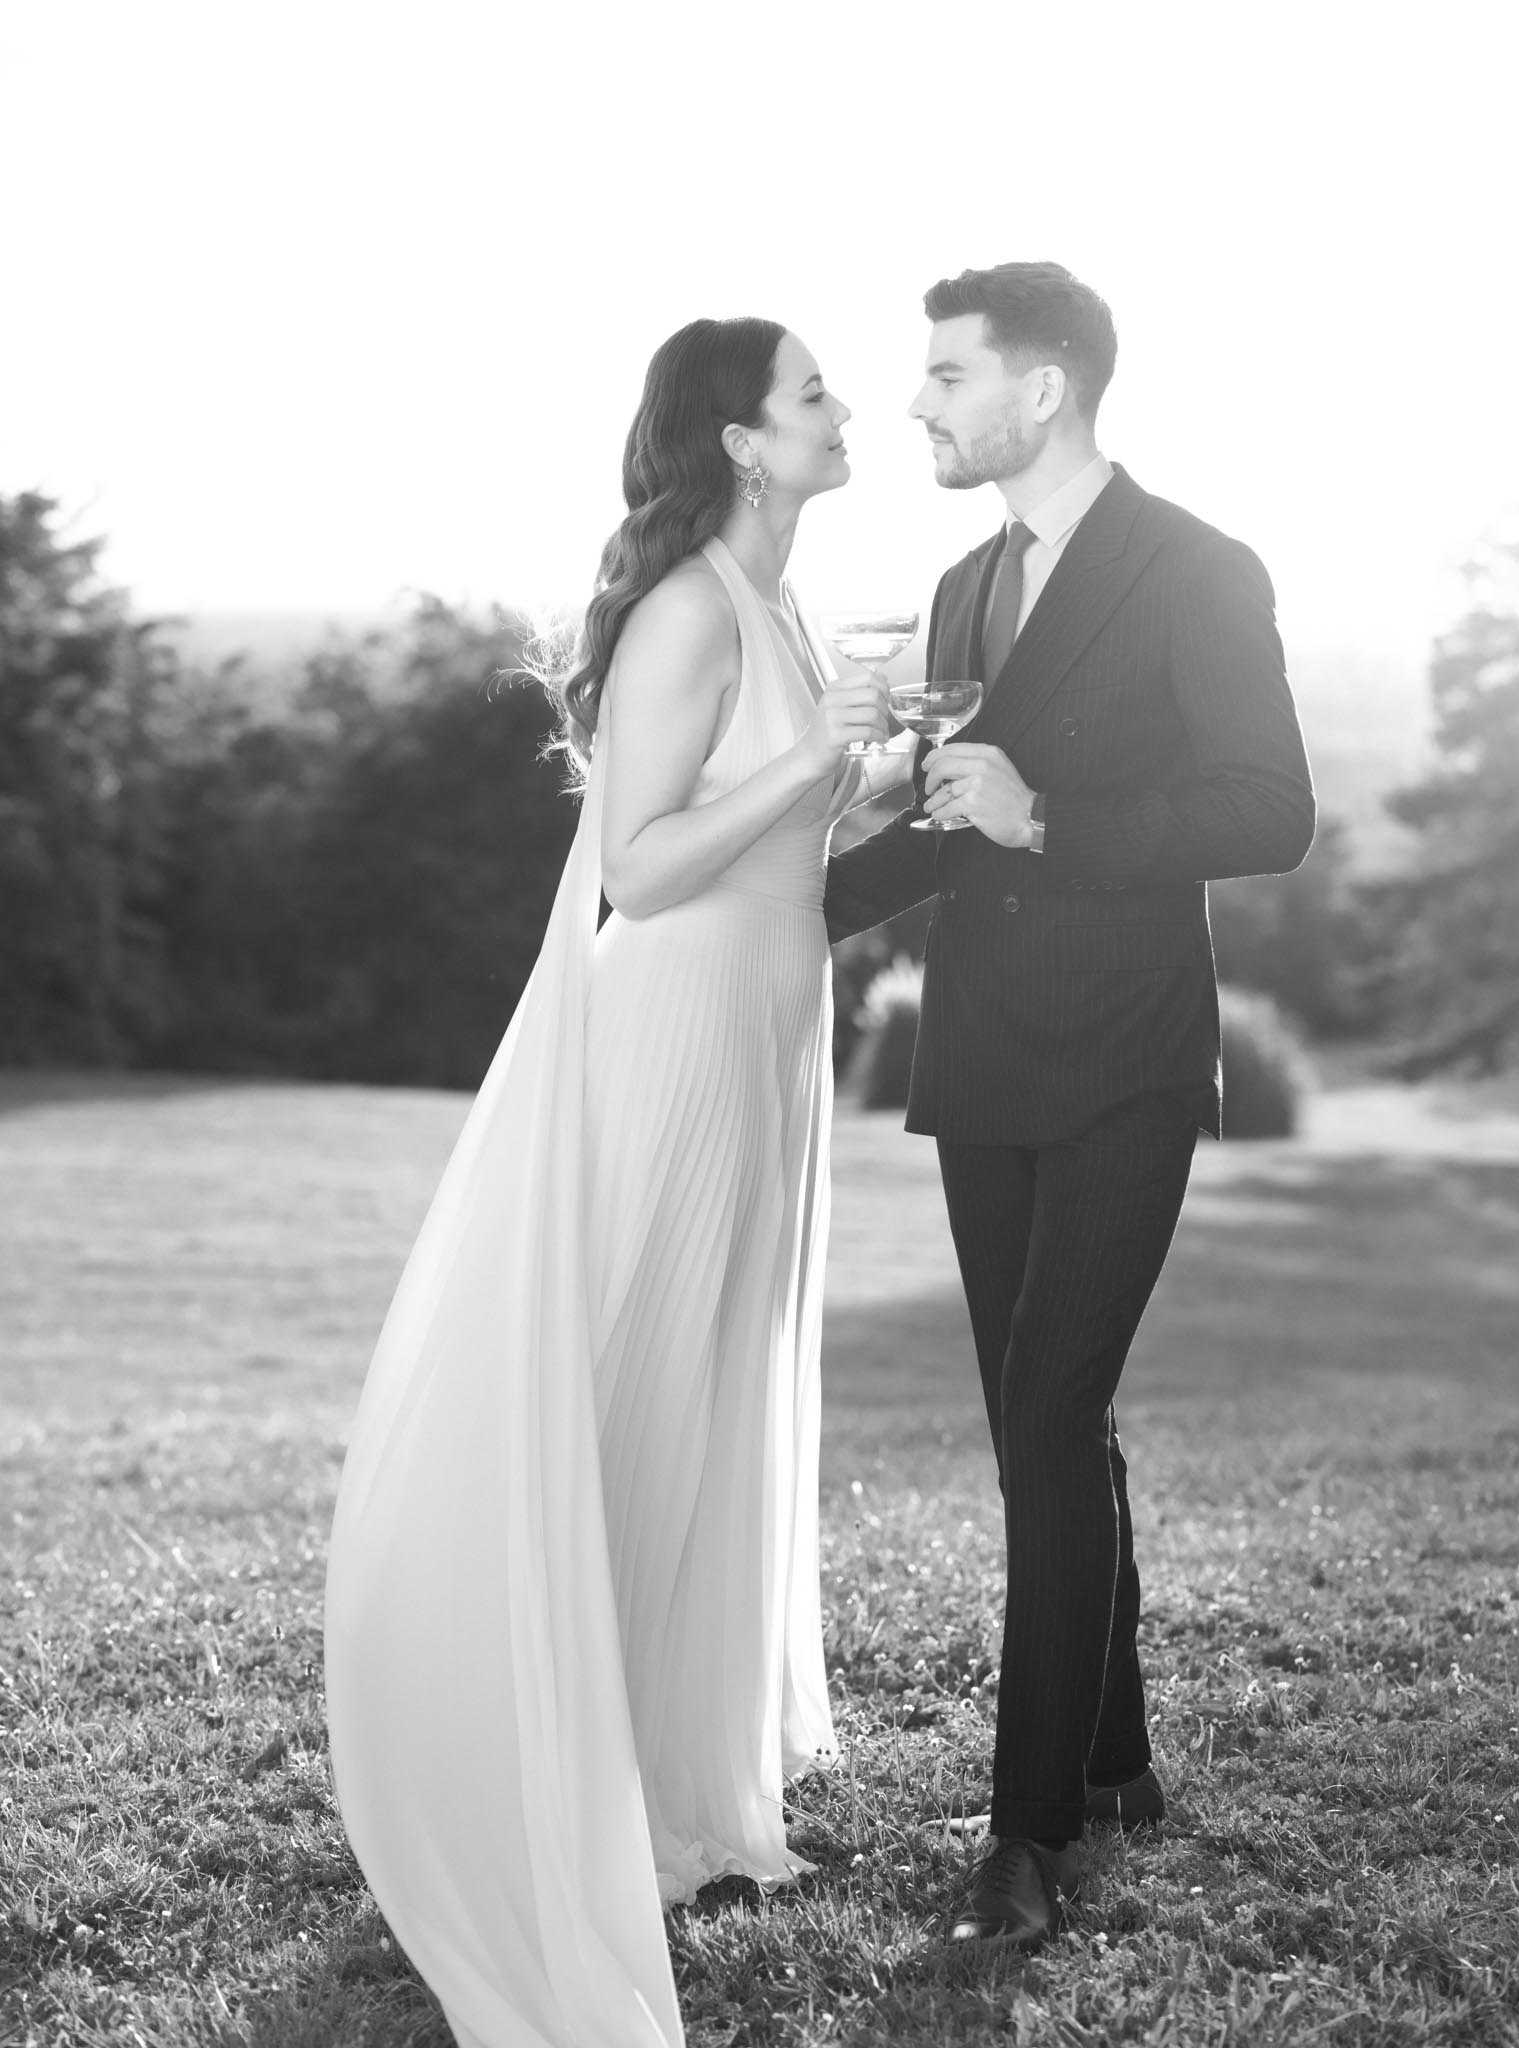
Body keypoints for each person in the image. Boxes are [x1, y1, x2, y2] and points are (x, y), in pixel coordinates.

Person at [324, 317, 903, 2047]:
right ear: (738, 438)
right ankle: (558, 1783)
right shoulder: (683, 612)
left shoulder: (785, 603)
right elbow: (641, 873)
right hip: (675, 1032)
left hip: (771, 1028)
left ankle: (663, 1786)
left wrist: (883, 788)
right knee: (646, 1381)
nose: (844, 409)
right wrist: (821, 765)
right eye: (814, 394)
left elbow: (782, 836)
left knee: (724, 1387)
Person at [824, 262, 1316, 1951]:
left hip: (1125, 1059)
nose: (918, 407)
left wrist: (1051, 822)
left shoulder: (1197, 568)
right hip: (981, 1061)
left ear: (1039, 392)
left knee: (1045, 1422)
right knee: (1049, 1420)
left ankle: (1023, 1838)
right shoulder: (965, 587)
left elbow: (1271, 810)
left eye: (947, 377)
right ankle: (1117, 1764)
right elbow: (951, 820)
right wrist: (746, 916)